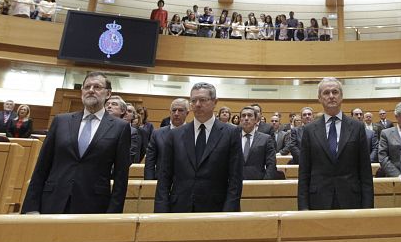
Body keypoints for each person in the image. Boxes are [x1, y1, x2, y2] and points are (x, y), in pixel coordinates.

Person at [22, 72, 131, 214]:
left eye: (97, 87)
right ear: (82, 92)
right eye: (87, 87)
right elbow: (42, 166)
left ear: (108, 94)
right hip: (52, 200)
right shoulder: (61, 121)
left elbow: (121, 177)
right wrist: (31, 207)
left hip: (94, 206)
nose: (91, 90)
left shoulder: (120, 127)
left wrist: (113, 214)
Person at [154, 82, 243, 213]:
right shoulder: (175, 134)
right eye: (193, 100)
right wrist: (161, 211)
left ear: (215, 102)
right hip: (180, 208)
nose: (197, 104)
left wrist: (229, 212)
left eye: (203, 100)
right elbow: (164, 177)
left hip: (216, 209)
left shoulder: (231, 133)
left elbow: (235, 179)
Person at [297, 78, 373, 210]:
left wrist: (368, 207)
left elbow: (365, 172)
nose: (331, 96)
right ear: (319, 98)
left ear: (341, 96)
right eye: (326, 93)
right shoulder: (309, 130)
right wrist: (303, 208)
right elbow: (304, 172)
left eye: (335, 92)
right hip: (318, 200)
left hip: (351, 199)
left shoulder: (357, 127)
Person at [144, 98, 189, 180]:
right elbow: (150, 161)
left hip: (186, 183)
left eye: (180, 110)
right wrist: (149, 183)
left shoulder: (193, 133)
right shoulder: (157, 133)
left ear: (187, 113)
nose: (176, 113)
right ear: (170, 112)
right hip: (161, 181)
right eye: (174, 110)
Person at [238, 106, 277, 180]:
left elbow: (271, 164)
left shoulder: (266, 139)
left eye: (249, 115)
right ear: (240, 119)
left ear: (256, 120)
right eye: (243, 116)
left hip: (258, 182)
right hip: (235, 184)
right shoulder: (232, 137)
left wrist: (265, 183)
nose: (246, 118)